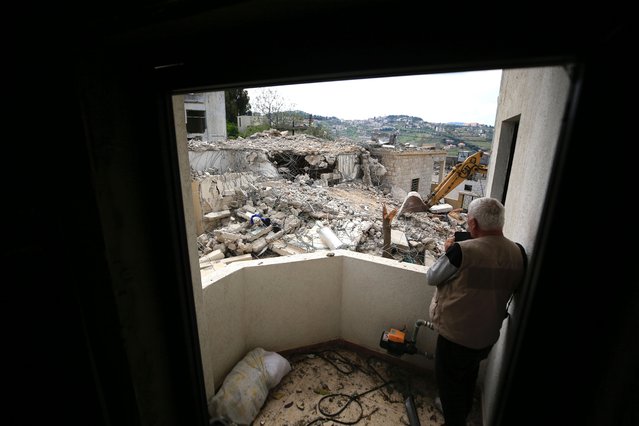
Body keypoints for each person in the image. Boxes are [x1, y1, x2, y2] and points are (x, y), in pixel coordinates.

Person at [426, 197, 527, 426]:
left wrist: (448, 252)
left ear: (472, 224)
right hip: (487, 337)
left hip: (455, 336)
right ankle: (461, 411)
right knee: (468, 376)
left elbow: (432, 277)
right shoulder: (518, 253)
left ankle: (454, 418)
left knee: (448, 383)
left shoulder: (463, 250)